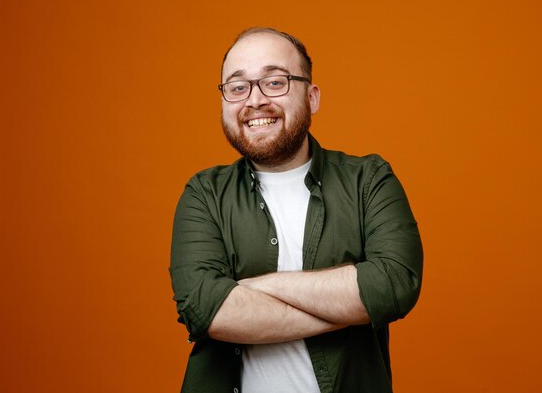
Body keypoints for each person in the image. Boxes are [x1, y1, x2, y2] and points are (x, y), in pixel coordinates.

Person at [170, 27, 423, 393]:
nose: (255, 100)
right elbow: (210, 312)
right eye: (238, 87)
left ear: (312, 96)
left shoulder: (368, 180)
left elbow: (392, 286)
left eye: (275, 82)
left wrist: (256, 288)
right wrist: (349, 307)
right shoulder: (204, 194)